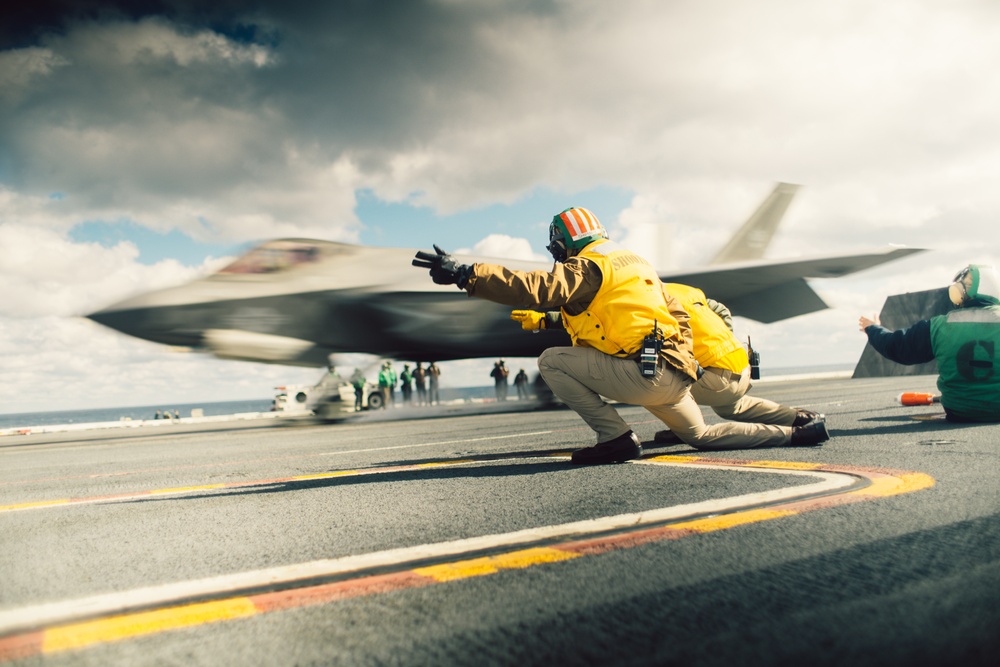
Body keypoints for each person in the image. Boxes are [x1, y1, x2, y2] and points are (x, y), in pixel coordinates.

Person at [413, 207, 829, 464]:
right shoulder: (636, 264)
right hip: (675, 374)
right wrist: (681, 358)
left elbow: (540, 288)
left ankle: (614, 437)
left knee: (551, 361)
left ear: (566, 241)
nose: (554, 251)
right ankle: (797, 432)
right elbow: (671, 313)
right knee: (700, 436)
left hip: (644, 376)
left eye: (556, 243)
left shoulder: (587, 265)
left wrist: (467, 274)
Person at [651, 283, 822, 444]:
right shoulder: (680, 290)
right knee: (732, 407)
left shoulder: (646, 301)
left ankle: (683, 428)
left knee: (650, 385)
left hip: (718, 380)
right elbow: (722, 310)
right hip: (740, 366)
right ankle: (802, 418)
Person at [859, 263, 1000, 422]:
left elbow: (896, 347)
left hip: (960, 411)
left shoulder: (939, 326)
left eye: (966, 283)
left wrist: (873, 329)